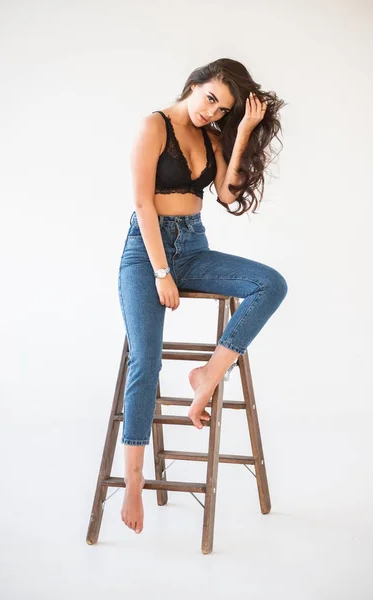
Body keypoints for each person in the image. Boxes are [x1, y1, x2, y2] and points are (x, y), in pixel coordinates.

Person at [117, 58, 288, 534]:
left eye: (223, 109)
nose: (213, 112)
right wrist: (159, 273)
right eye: (210, 98)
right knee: (145, 362)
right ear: (193, 84)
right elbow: (141, 202)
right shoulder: (154, 125)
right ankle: (134, 479)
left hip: (193, 247)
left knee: (270, 284)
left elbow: (229, 196)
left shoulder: (213, 136)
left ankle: (205, 377)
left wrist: (243, 132)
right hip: (145, 250)